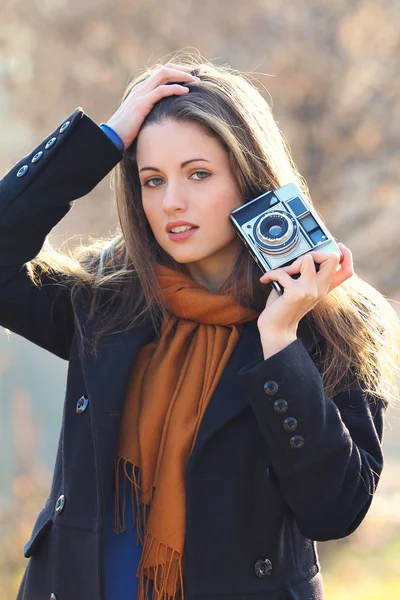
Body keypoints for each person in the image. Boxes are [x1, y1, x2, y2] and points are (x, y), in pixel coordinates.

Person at [1, 54, 399, 600]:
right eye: (152, 179)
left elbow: (334, 510)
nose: (172, 203)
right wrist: (105, 139)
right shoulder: (107, 303)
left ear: (250, 176)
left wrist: (279, 342)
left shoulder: (331, 322)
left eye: (199, 174)